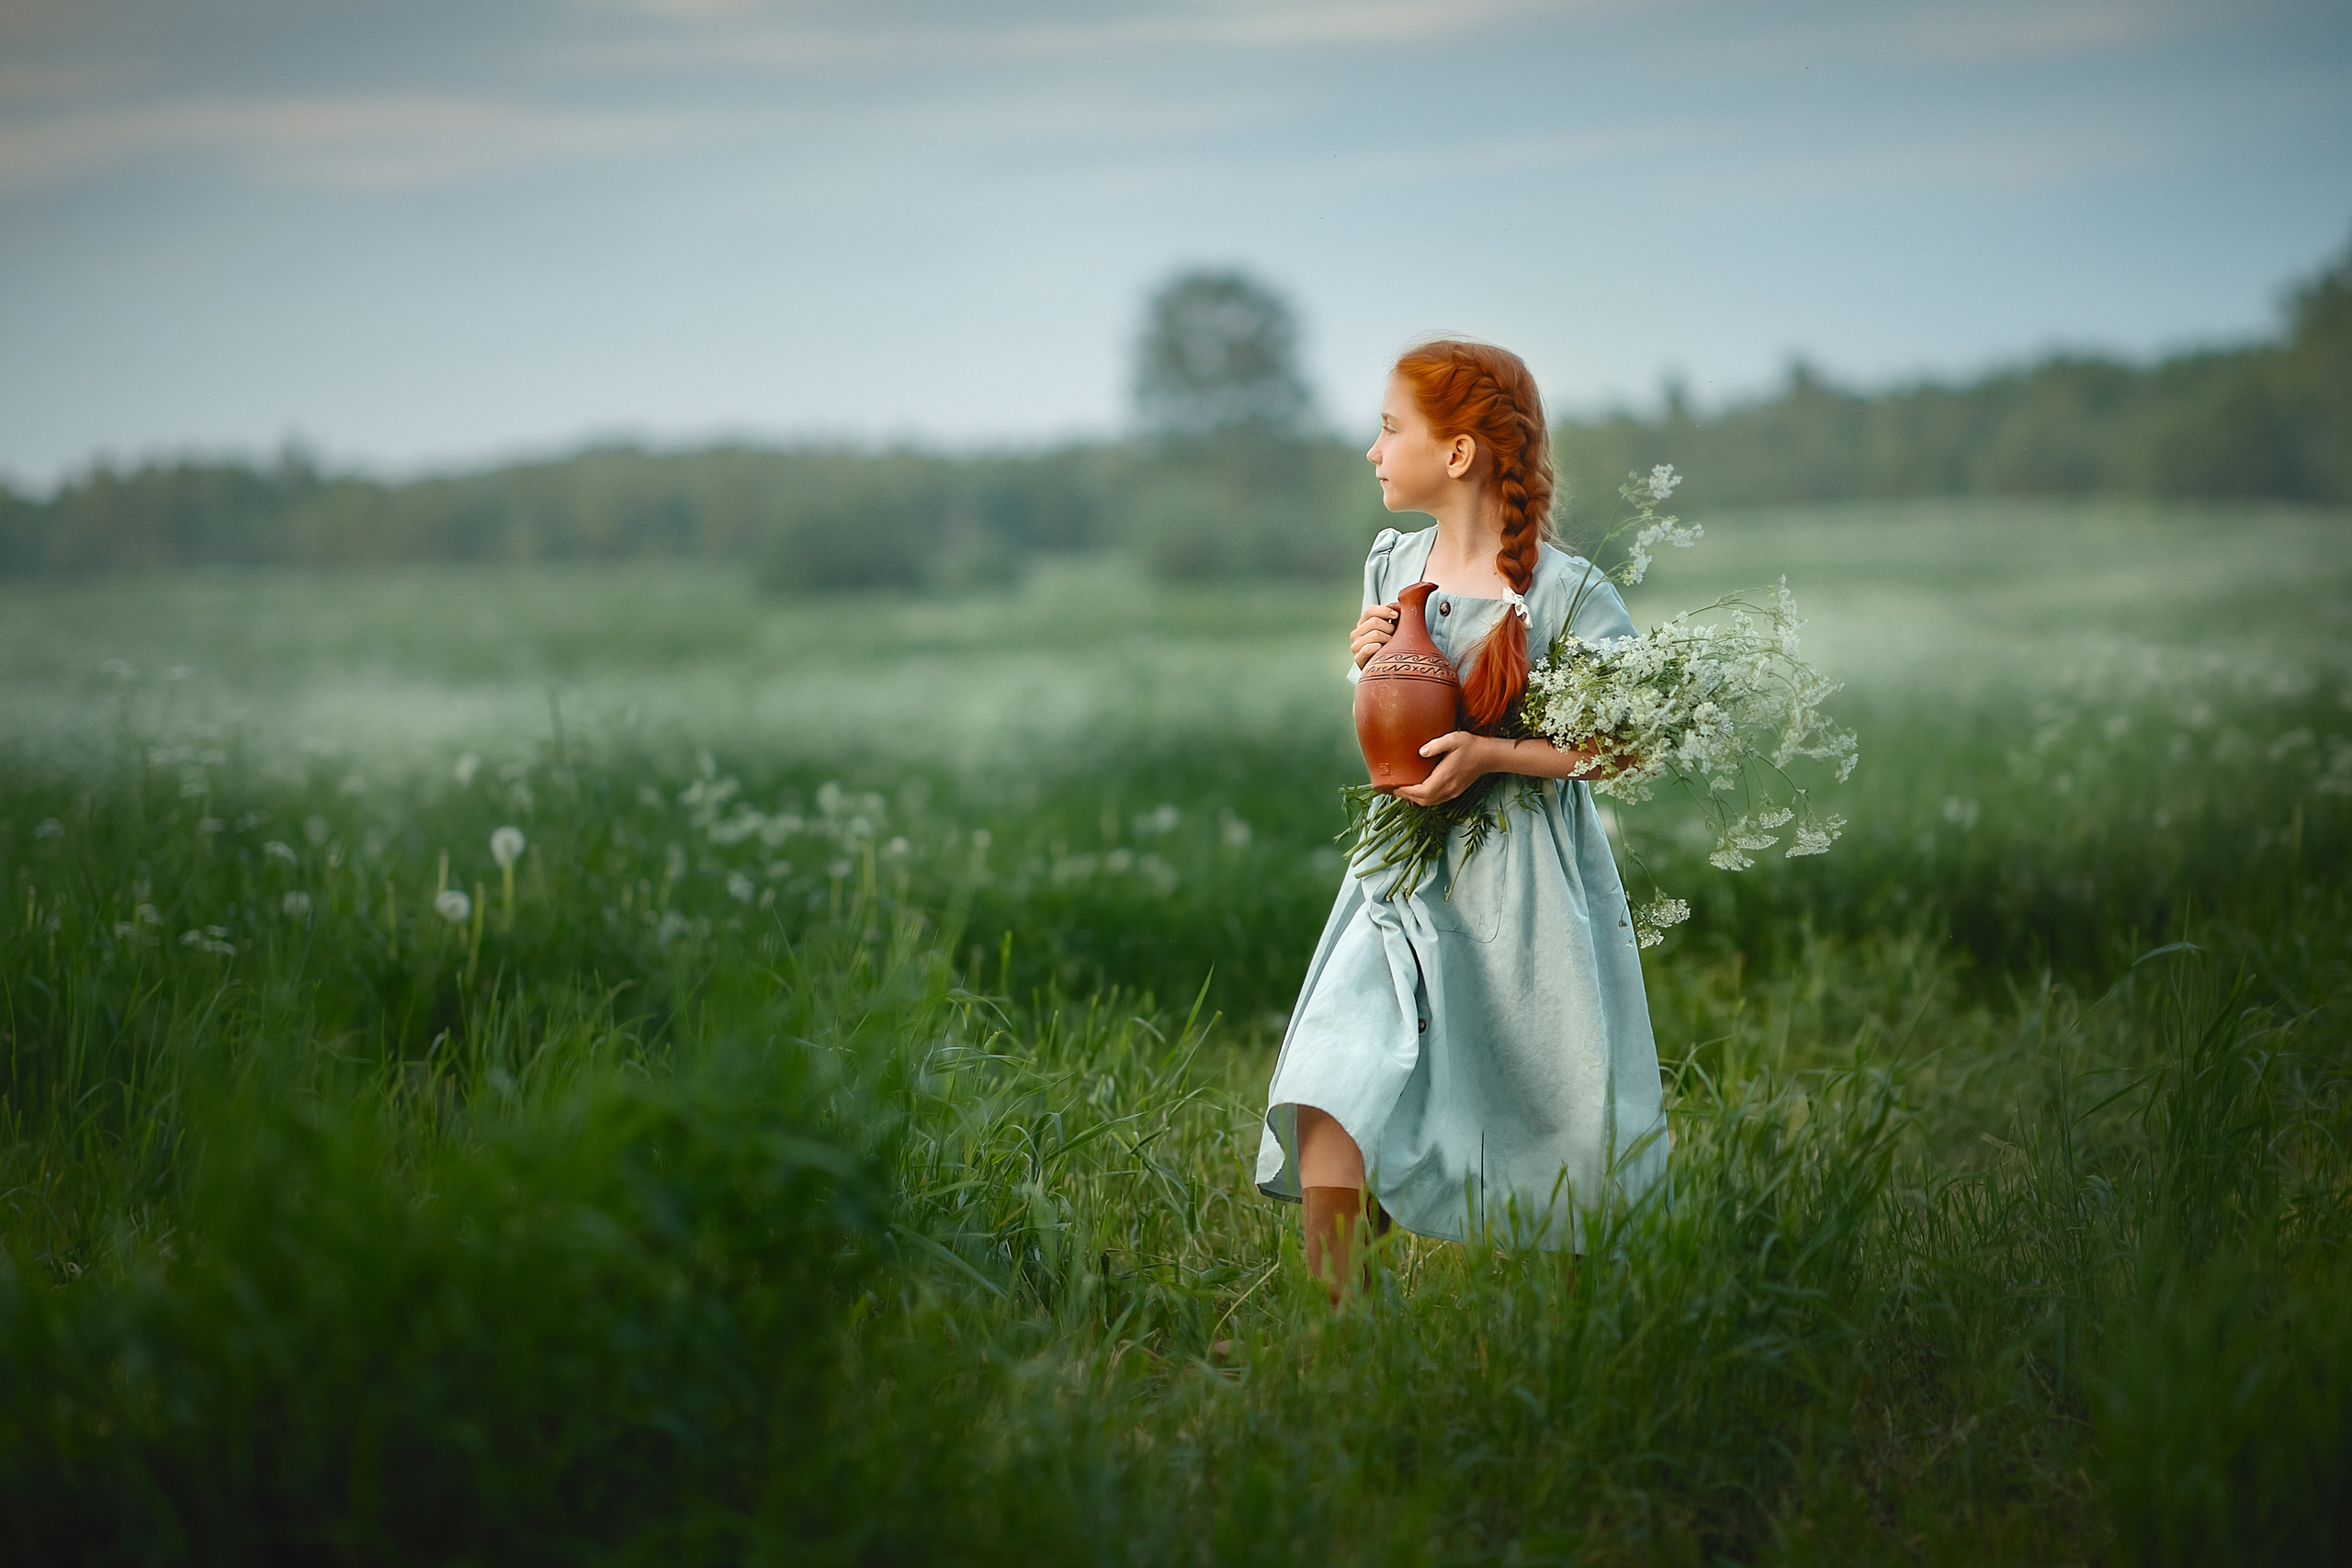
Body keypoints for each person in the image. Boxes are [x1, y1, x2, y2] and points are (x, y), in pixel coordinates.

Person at [1255, 339, 1670, 1304]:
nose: (1371, 449)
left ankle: (1578, 1341)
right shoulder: (1390, 561)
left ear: (1458, 454)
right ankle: (1341, 1345)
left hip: (1521, 882)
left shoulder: (1568, 592)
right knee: (1331, 1073)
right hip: (1395, 877)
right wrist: (1365, 658)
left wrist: (1495, 756)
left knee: (1543, 1097)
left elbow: (1626, 744)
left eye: (1390, 428)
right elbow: (1388, 718)